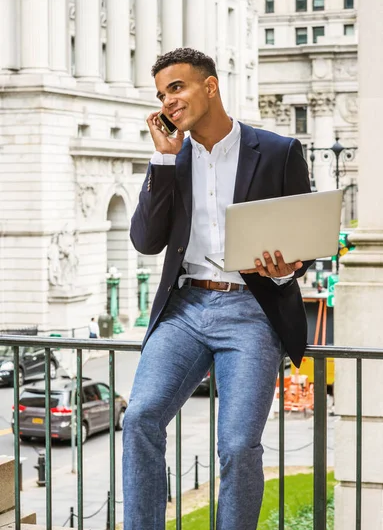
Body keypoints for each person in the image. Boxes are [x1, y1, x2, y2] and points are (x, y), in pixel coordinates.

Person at [123, 48, 313, 530]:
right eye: (162, 93)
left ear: (210, 87)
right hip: (184, 307)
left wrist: (285, 269)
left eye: (177, 87)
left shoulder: (277, 151)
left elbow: (305, 239)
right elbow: (146, 241)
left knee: (236, 444)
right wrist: (162, 162)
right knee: (141, 417)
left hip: (252, 310)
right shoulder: (173, 158)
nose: (168, 101)